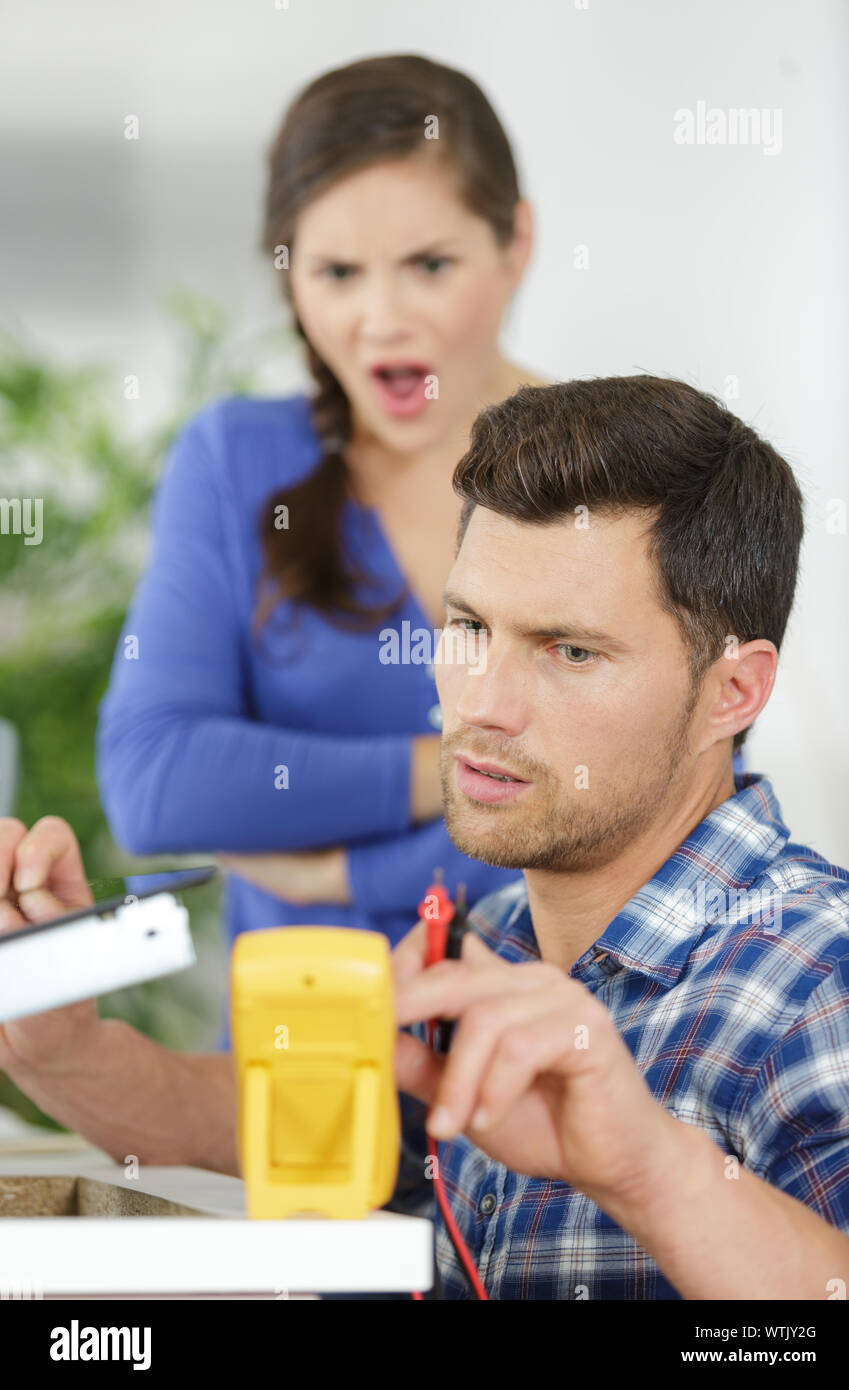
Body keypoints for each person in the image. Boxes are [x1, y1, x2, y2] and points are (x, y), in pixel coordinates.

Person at [1, 374, 849, 1300]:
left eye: (571, 651)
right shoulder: (487, 940)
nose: (481, 706)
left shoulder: (821, 981)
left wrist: (652, 1169)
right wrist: (64, 1049)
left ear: (733, 692)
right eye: (468, 626)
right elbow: (289, 1128)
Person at [95, 54, 546, 1046]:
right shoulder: (236, 461)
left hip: (553, 1116)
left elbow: (667, 807)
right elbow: (157, 781)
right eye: (337, 273)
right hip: (296, 1100)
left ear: (514, 240)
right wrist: (480, 771)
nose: (380, 320)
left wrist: (344, 871)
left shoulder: (617, 472)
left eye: (429, 265)